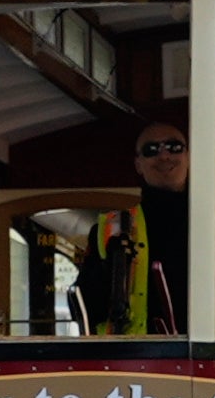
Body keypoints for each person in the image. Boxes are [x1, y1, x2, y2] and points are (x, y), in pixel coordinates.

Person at [78, 118, 189, 337]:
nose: (164, 156)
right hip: (136, 353)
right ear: (138, 164)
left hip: (207, 352)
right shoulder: (112, 228)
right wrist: (109, 271)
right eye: (151, 150)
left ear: (189, 156)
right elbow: (86, 309)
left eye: (174, 147)